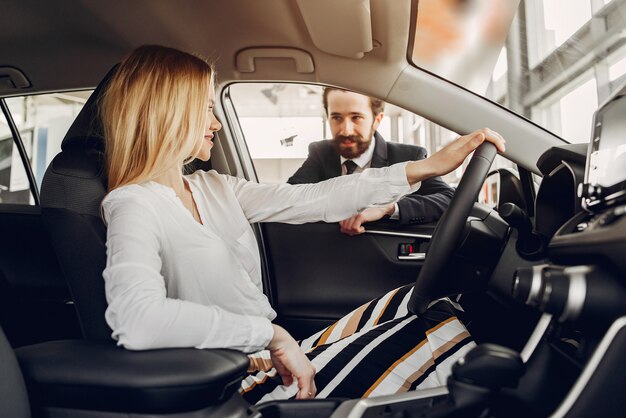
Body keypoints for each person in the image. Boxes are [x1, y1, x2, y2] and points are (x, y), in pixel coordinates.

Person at [99, 45, 505, 404]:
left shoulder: (212, 186)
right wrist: (271, 336)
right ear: (171, 113)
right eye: (206, 108)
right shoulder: (133, 203)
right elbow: (137, 321)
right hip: (235, 379)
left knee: (422, 301)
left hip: (267, 352)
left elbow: (310, 198)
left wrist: (423, 168)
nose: (216, 122)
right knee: (442, 337)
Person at [288, 88, 455, 235]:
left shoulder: (409, 155)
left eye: (356, 117)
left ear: (377, 120)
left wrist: (387, 208)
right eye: (337, 118)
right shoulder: (321, 152)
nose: (346, 130)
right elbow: (289, 197)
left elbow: (449, 198)